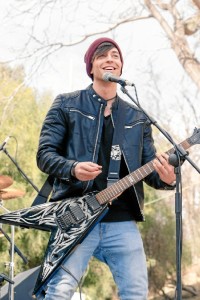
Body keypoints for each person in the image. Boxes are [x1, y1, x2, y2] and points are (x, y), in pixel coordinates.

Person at [36, 37, 176, 300]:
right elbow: (44, 155)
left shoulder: (138, 117)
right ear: (91, 67)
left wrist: (167, 178)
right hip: (77, 215)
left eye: (115, 56)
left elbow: (152, 169)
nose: (110, 60)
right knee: (60, 292)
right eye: (102, 56)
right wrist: (73, 168)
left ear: (121, 68)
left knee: (135, 293)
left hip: (122, 221)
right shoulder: (67, 104)